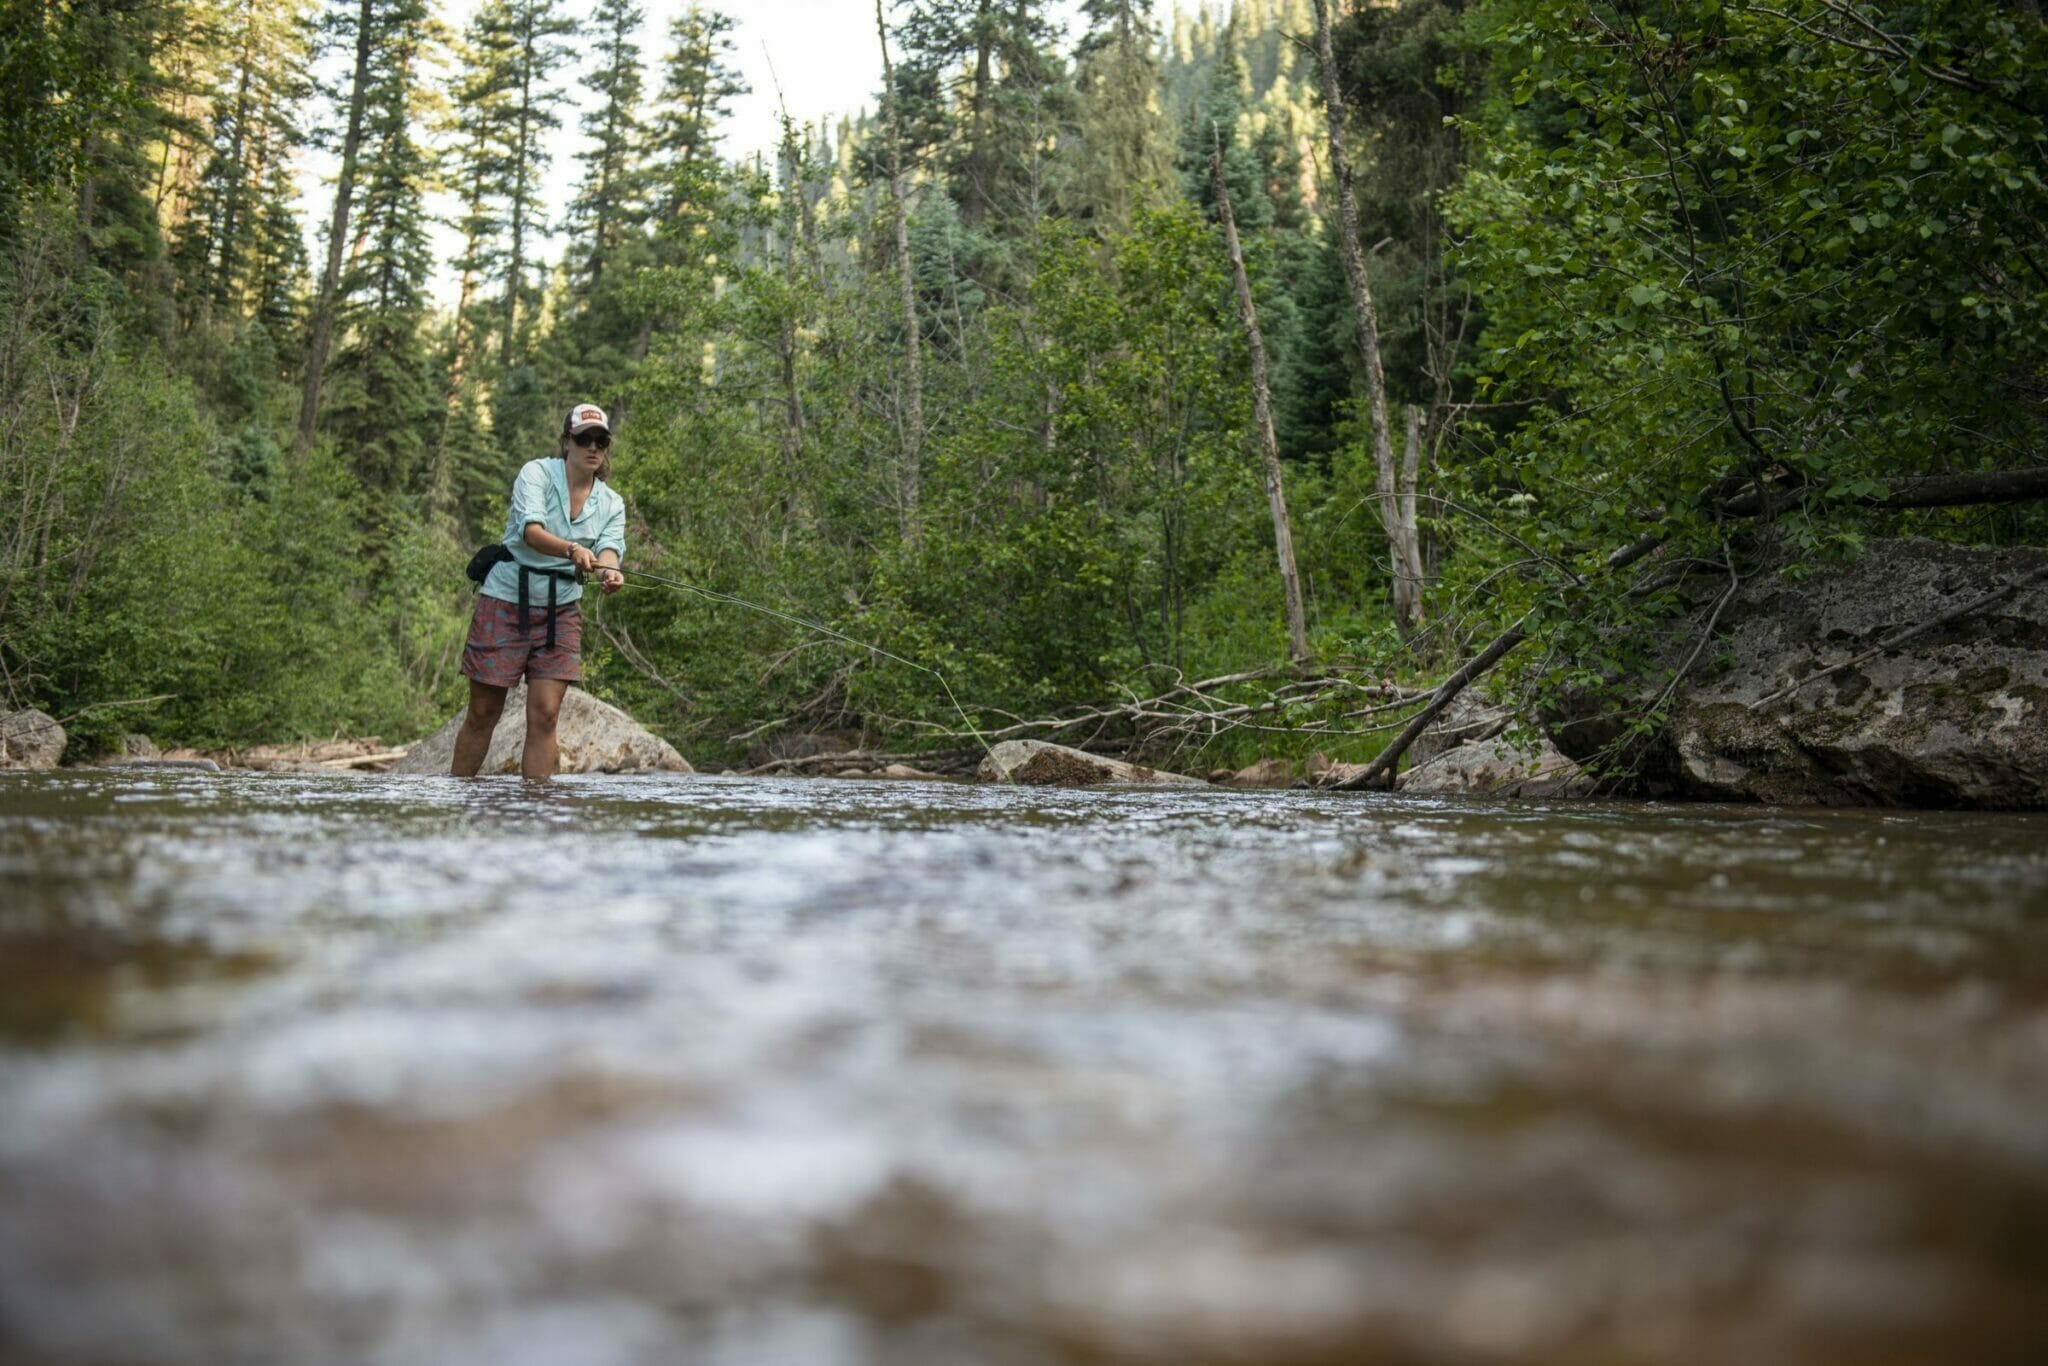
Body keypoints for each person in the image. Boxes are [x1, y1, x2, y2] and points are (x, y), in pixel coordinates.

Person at [452, 403, 626, 780]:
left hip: (561, 609)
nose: (593, 447)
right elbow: (531, 533)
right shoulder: (536, 474)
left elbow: (610, 548)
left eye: (601, 441)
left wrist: (611, 571)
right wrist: (571, 550)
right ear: (567, 442)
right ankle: (457, 797)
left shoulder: (611, 502)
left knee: (546, 714)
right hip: (506, 599)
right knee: (483, 712)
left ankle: (536, 811)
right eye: (584, 439)